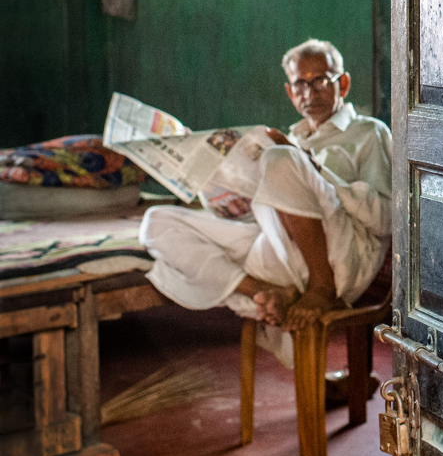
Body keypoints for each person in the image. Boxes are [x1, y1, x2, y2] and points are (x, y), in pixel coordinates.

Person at [140, 39, 392, 358]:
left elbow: (386, 219)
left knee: (282, 158)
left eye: (320, 81)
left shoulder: (369, 133)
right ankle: (267, 293)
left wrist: (316, 170)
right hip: (282, 246)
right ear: (289, 91)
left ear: (343, 83)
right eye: (300, 84)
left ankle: (321, 287)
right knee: (157, 223)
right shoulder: (291, 136)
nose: (309, 93)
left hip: (341, 257)